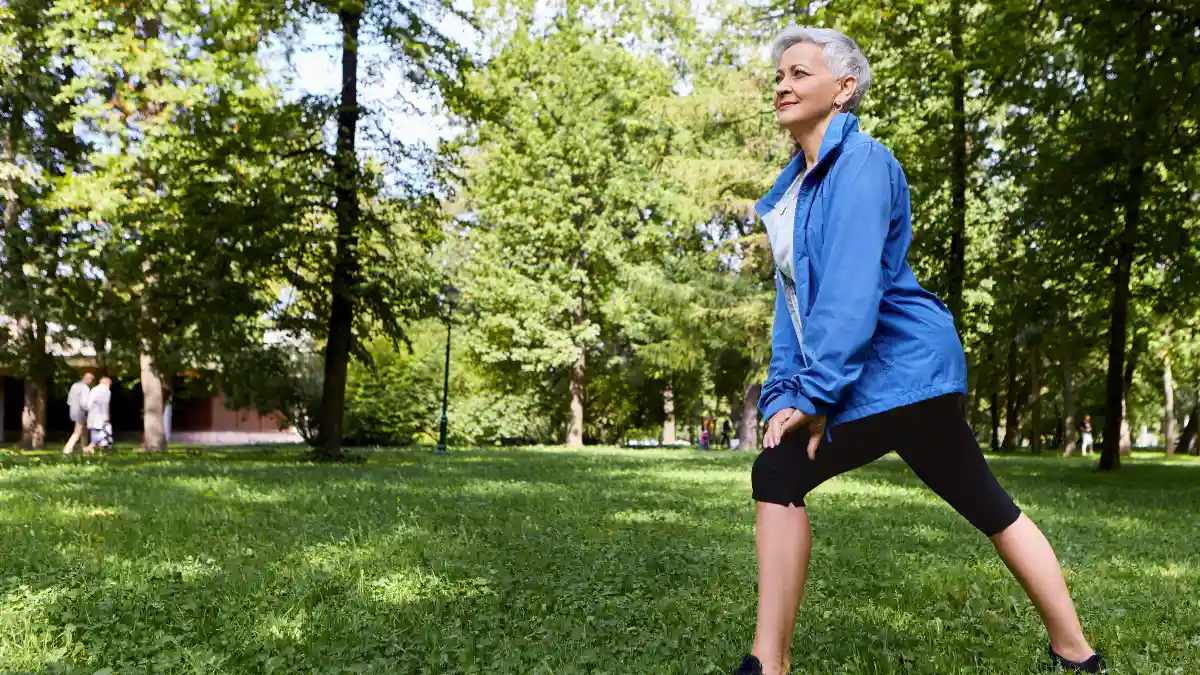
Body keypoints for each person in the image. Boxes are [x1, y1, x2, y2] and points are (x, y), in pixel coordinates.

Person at [733, 26, 1105, 675]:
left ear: (844, 89)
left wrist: (817, 396)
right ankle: (1076, 652)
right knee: (988, 502)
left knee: (780, 474)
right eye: (779, 76)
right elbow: (791, 312)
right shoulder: (796, 193)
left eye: (800, 73)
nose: (783, 85)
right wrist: (782, 395)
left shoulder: (865, 164)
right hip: (899, 379)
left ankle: (768, 664)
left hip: (899, 366)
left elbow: (851, 288)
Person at [63, 372, 94, 455]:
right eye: (91, 380)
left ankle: (85, 450)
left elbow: (69, 400)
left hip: (73, 411)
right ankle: (67, 449)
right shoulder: (85, 388)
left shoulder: (75, 385)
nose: (91, 382)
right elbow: (84, 402)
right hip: (81, 412)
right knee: (77, 432)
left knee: (84, 431)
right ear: (88, 379)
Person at [84, 377, 113, 454]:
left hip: (92, 416)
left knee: (94, 434)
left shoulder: (94, 390)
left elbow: (88, 404)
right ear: (107, 383)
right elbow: (105, 406)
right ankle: (89, 448)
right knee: (101, 435)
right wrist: (106, 418)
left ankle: (93, 451)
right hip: (101, 416)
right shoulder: (106, 391)